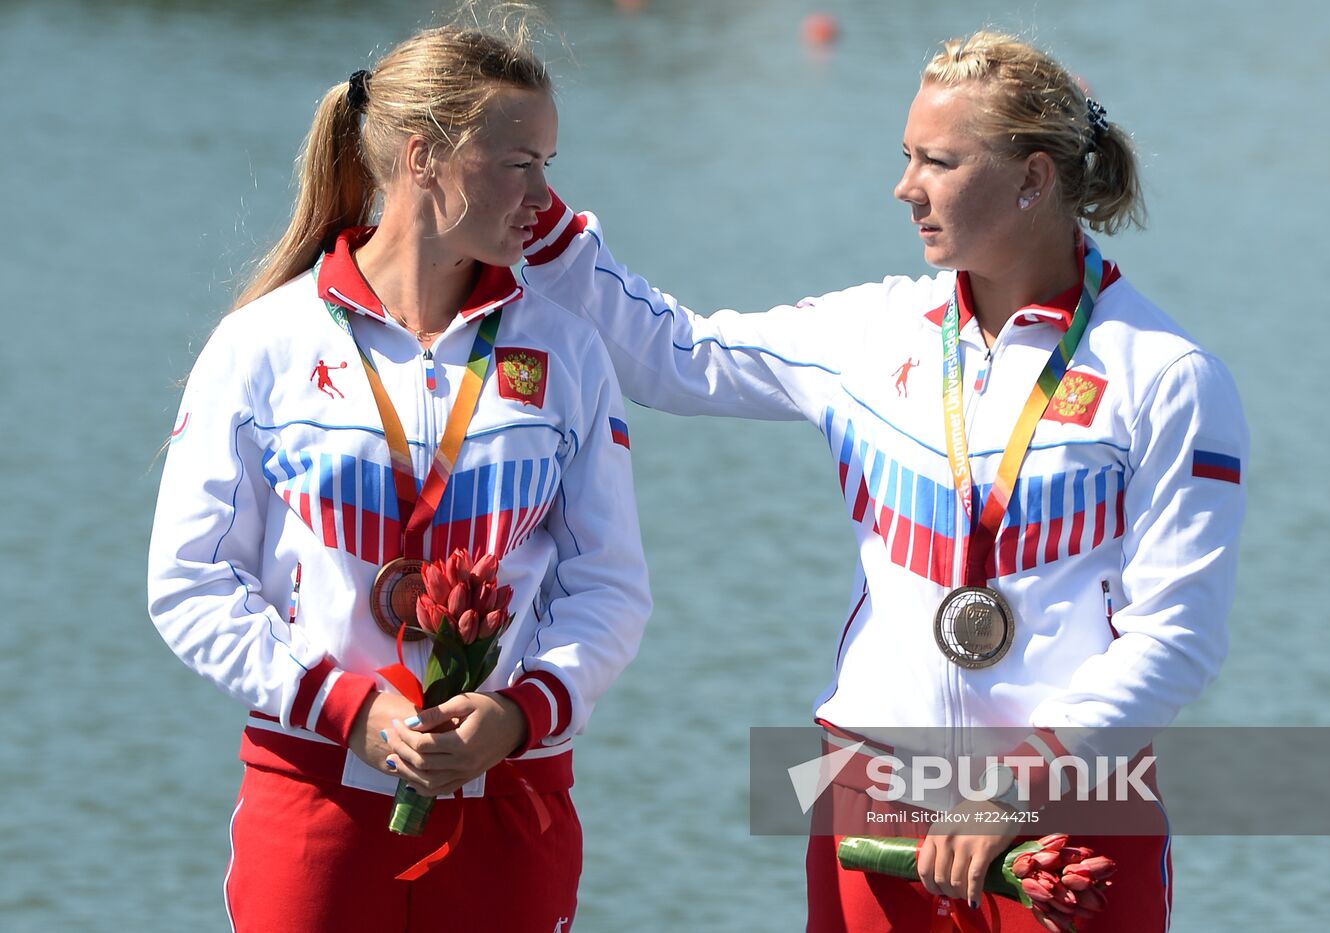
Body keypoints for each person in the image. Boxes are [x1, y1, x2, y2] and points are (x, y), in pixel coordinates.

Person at [509, 30, 1245, 932]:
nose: (906, 187)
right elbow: (676, 356)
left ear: (1034, 178)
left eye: (938, 161)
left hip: (1070, 809)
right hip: (870, 783)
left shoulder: (1167, 375)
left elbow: (1178, 636)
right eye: (907, 158)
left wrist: (1015, 787)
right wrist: (531, 207)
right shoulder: (872, 332)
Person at [147, 14, 650, 932]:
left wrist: (517, 712)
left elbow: (608, 586)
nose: (546, 197)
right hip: (316, 796)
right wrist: (346, 708)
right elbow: (189, 584)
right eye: (520, 162)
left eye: (547, 161)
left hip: (512, 794)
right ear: (423, 158)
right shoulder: (263, 343)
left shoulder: (568, 351)